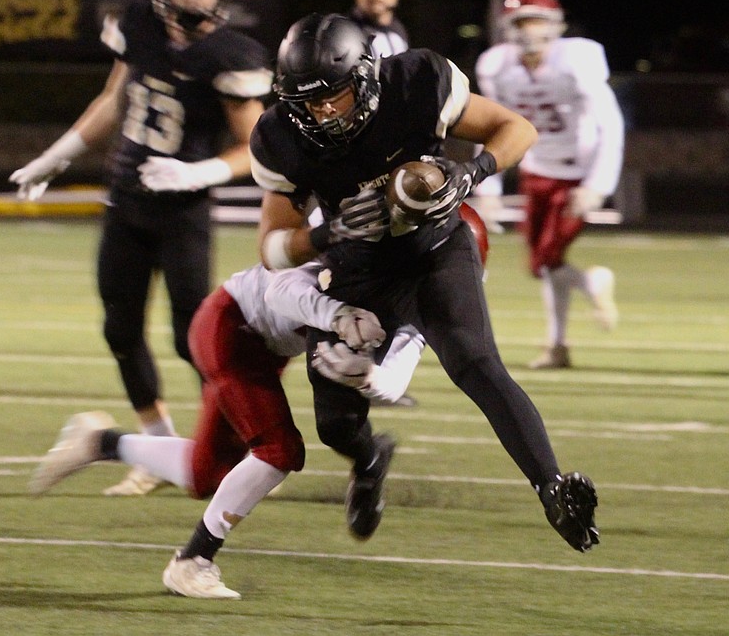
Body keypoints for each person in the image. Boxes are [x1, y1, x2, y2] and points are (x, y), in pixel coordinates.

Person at [248, 12, 600, 553]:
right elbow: (273, 247)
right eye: (306, 101)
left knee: (475, 362)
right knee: (334, 423)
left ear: (365, 76)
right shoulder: (280, 135)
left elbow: (516, 129)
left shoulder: (416, 82)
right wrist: (329, 234)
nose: (320, 111)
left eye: (332, 96)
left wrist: (471, 172)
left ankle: (552, 487)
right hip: (357, 271)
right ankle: (368, 461)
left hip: (433, 248)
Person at [9, 0, 272, 497]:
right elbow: (114, 99)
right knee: (120, 327)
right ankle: (157, 445)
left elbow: (255, 147)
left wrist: (199, 173)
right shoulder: (139, 27)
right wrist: (57, 156)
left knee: (193, 337)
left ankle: (252, 445)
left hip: (183, 210)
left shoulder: (230, 55)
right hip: (127, 199)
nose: (200, 0)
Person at [28, 255, 432, 599]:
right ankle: (192, 560)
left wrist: (372, 378)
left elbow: (399, 363)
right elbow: (283, 288)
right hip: (231, 328)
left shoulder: (414, 290)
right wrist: (337, 315)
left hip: (260, 347)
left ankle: (101, 442)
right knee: (280, 452)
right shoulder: (354, 255)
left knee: (204, 476)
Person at [474, 0, 625, 369]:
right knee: (546, 266)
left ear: (555, 25)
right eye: (521, 22)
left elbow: (611, 124)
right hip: (537, 170)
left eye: (536, 20)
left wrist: (598, 184)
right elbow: (491, 126)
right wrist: (487, 183)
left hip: (577, 172)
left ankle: (591, 286)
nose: (528, 30)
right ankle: (558, 345)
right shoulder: (497, 66)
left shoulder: (577, 60)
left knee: (545, 261)